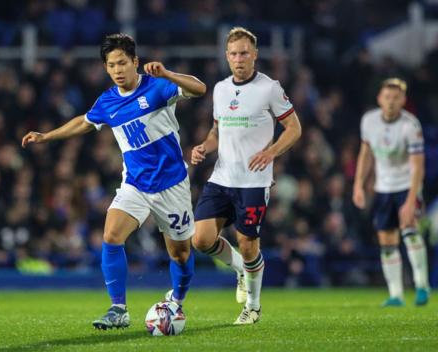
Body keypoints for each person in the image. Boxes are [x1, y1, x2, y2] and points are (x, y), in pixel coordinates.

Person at [22, 33, 206, 329]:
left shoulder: (157, 88)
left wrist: (168, 73)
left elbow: (199, 89)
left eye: (122, 63)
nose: (118, 70)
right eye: (111, 65)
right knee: (111, 235)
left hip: (171, 184)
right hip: (135, 183)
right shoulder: (107, 101)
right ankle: (118, 308)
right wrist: (47, 136)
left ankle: (177, 299)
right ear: (106, 69)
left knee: (181, 254)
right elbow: (84, 121)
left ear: (135, 62)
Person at [190, 27, 302, 324]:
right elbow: (217, 131)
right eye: (233, 53)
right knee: (200, 240)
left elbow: (294, 128)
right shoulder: (221, 88)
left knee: (249, 243)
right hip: (222, 177)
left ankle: (252, 307)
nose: (239, 58)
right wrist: (204, 146)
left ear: (254, 55)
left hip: (254, 181)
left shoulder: (270, 88)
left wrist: (271, 153)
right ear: (226, 56)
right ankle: (240, 268)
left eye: (244, 53)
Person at [353, 78, 430, 307]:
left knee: (410, 231)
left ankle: (422, 286)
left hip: (407, 185)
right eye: (387, 97)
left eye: (396, 98)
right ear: (379, 99)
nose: (391, 102)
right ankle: (396, 294)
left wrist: (411, 200)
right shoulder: (369, 121)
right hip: (383, 187)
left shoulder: (410, 125)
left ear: (403, 101)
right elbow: (365, 154)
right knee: (387, 240)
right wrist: (358, 184)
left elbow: (418, 166)